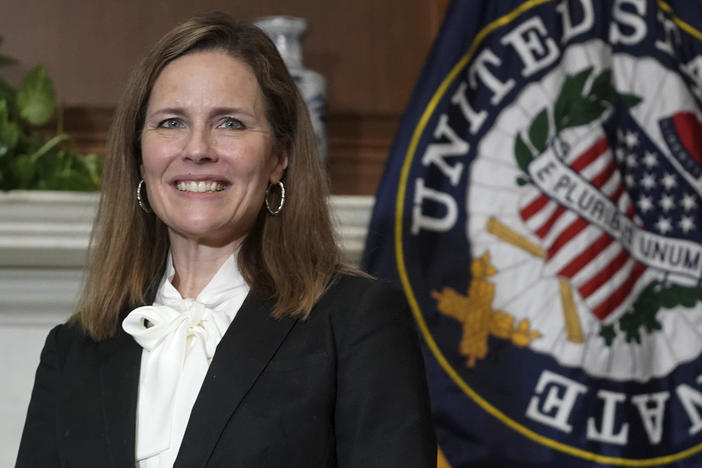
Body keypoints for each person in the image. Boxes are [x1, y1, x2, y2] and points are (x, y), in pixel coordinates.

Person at [15, 12, 435, 468]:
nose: (197, 149)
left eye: (230, 123)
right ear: (139, 158)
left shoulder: (357, 323)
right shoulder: (73, 349)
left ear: (279, 157)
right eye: (171, 122)